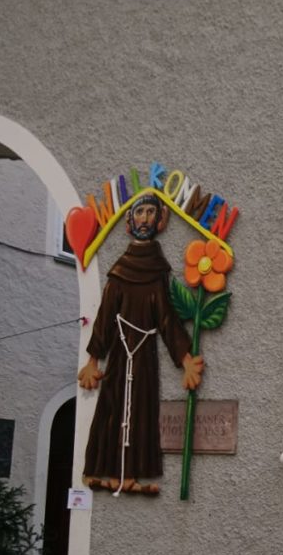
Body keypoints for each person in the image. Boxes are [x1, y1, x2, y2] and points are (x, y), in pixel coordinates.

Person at [78, 192, 204, 495]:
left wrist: (185, 359)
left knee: (141, 412)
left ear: (160, 220)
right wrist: (93, 360)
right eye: (140, 212)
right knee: (111, 408)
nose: (145, 218)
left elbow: (166, 318)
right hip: (121, 351)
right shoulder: (120, 269)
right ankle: (103, 472)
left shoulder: (158, 270)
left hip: (145, 353)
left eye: (150, 212)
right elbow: (106, 313)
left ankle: (131, 476)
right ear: (128, 222)